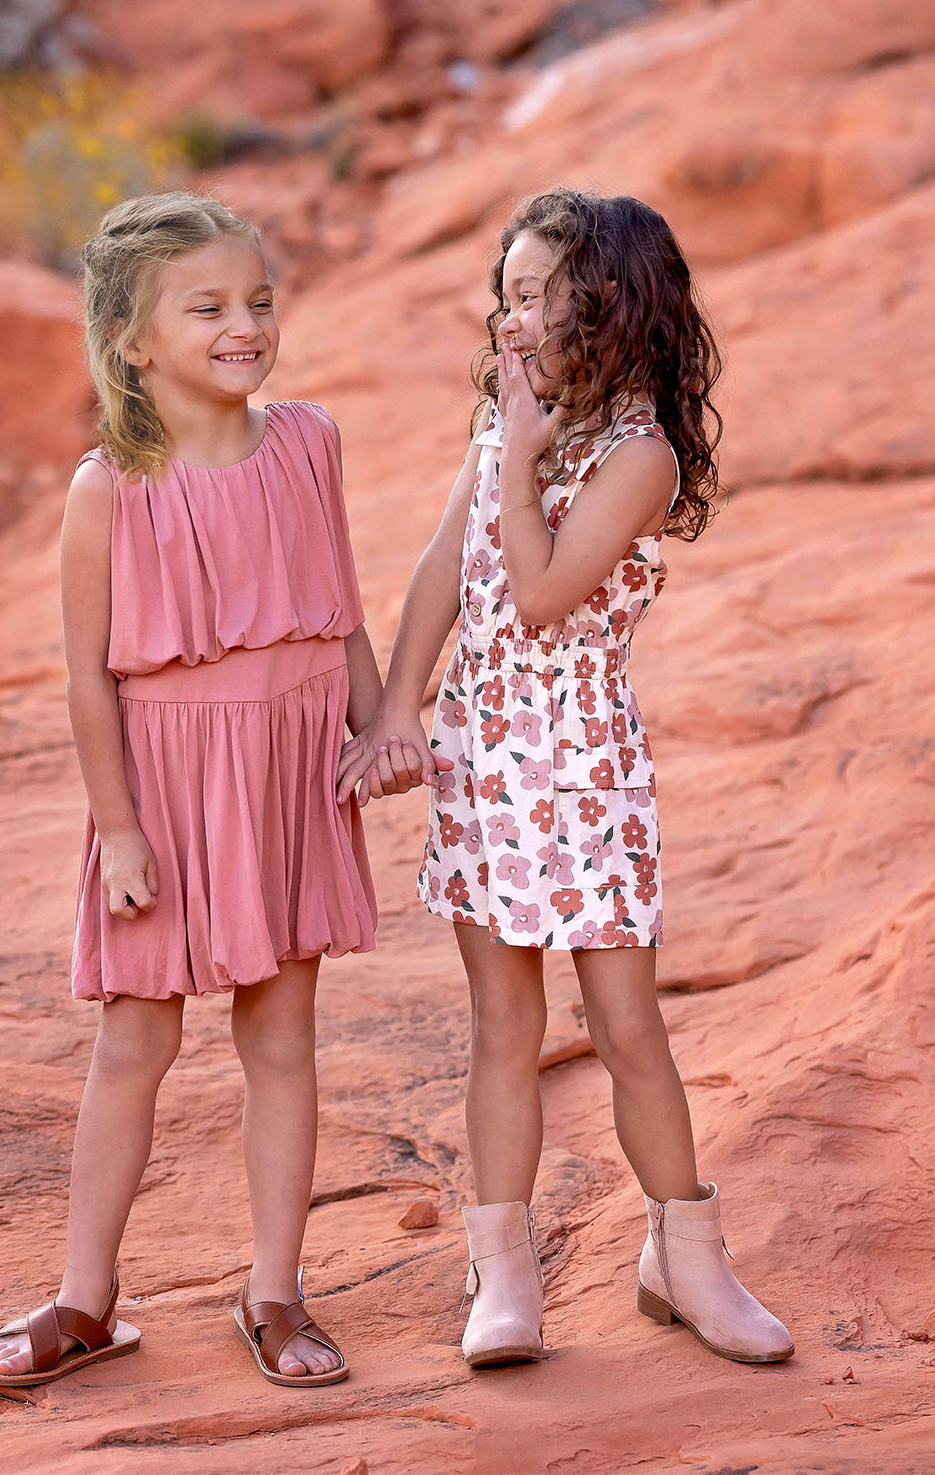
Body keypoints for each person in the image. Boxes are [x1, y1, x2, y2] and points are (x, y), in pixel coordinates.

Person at [338, 188, 793, 1369]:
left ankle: (685, 1257)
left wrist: (527, 452)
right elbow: (445, 571)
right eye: (506, 294)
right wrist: (397, 709)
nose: (513, 317)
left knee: (625, 1023)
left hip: (584, 765)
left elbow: (541, 596)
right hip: (485, 757)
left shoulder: (636, 452)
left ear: (608, 303)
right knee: (503, 1023)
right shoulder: (508, 423)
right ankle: (504, 1278)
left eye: (536, 294)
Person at [0, 191, 381, 1391]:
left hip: (290, 774)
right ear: (134, 341)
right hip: (166, 785)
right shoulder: (106, 489)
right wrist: (121, 831)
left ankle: (276, 1295)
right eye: (208, 306)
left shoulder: (308, 440)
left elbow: (341, 606)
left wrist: (380, 724)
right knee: (134, 1039)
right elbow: (89, 681)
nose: (244, 324)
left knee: (282, 1033)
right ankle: (85, 1300)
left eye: (258, 301)